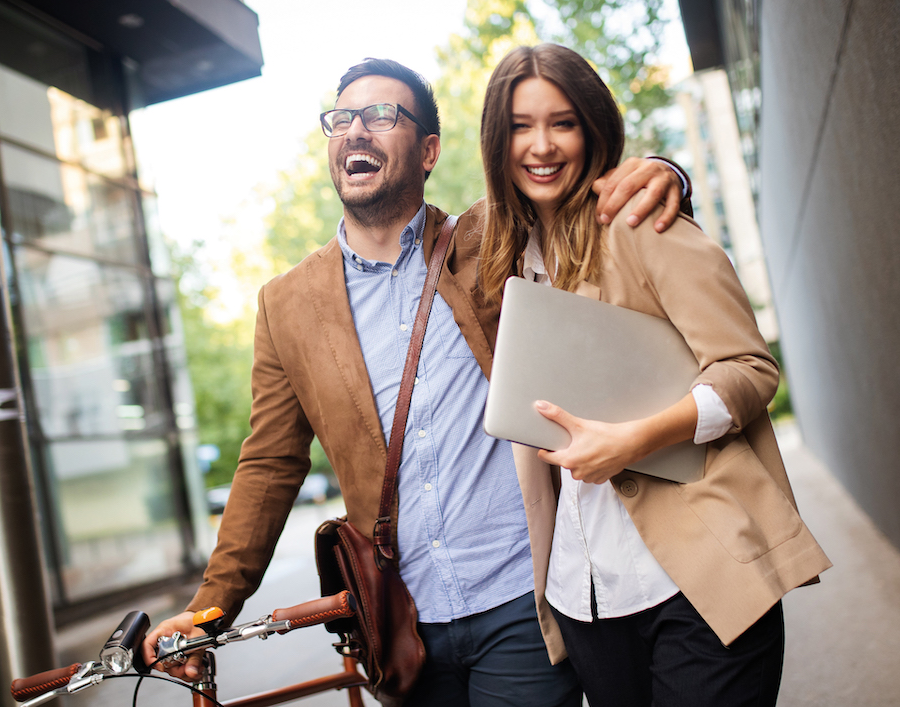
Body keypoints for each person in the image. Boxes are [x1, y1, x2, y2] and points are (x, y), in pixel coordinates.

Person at [141, 58, 694, 706]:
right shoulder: (287, 303)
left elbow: (572, 188)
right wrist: (210, 610)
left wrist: (665, 171)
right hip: (402, 625)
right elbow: (269, 464)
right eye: (342, 119)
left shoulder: (494, 235)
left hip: (522, 597)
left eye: (381, 116)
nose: (356, 131)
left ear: (428, 150)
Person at [472, 43, 832, 707]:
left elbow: (749, 370)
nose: (542, 145)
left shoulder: (641, 223)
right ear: (498, 140)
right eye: (521, 125)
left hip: (695, 580)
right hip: (585, 599)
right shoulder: (502, 259)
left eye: (563, 122)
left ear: (593, 128)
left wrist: (636, 440)